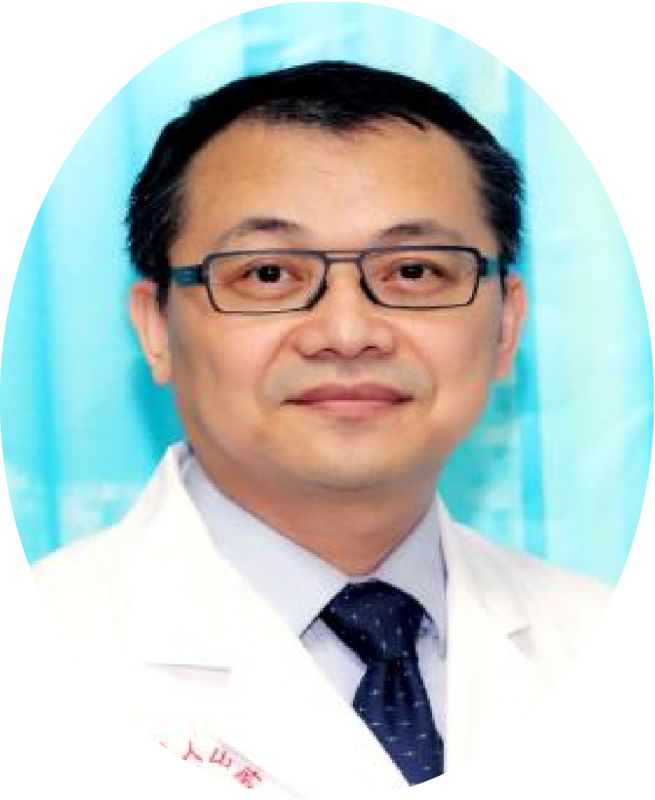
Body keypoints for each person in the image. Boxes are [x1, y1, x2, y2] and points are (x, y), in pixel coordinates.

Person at [33, 61, 610, 796]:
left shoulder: (607, 641)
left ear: (505, 327)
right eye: (268, 274)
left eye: (414, 272)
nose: (346, 333)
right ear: (156, 329)